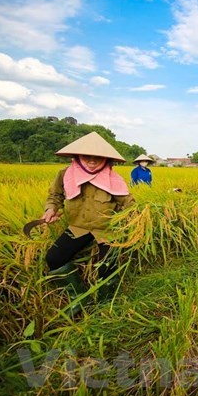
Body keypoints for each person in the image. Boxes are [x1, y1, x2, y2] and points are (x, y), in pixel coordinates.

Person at [42, 131, 135, 315]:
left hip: (107, 230)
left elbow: (129, 205)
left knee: (108, 266)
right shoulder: (65, 175)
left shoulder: (113, 180)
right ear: (78, 156)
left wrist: (134, 220)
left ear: (106, 160)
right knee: (54, 258)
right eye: (87, 156)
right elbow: (55, 196)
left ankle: (106, 304)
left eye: (97, 157)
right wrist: (50, 209)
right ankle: (79, 299)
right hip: (79, 227)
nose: (92, 160)